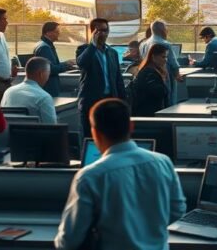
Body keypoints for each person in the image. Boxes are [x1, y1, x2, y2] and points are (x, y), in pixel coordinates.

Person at [54, 98, 186, 250]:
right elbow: (178, 211)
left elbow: (69, 242)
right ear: (131, 126)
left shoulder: (90, 177)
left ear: (94, 132)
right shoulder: (163, 162)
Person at [76, 19, 126, 137]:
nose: (104, 33)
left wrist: (122, 101)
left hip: (110, 100)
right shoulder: (83, 50)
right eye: (100, 30)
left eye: (106, 30)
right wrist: (92, 44)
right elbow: (82, 63)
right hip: (91, 101)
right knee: (90, 136)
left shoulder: (112, 52)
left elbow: (117, 78)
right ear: (93, 31)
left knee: (110, 136)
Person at [1, 56, 57, 123]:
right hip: (33, 133)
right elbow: (51, 128)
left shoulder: (8, 92)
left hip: (10, 133)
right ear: (41, 74)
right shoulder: (44, 98)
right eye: (48, 73)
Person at [139, 21, 181, 105]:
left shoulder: (143, 44)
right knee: (166, 103)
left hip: (147, 78)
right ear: (163, 30)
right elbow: (174, 64)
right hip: (163, 78)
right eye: (166, 29)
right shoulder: (165, 44)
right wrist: (178, 76)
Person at [129, 44, 171, 117]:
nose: (165, 60)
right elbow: (159, 92)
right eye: (163, 57)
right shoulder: (149, 73)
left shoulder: (149, 71)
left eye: (166, 57)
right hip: (147, 114)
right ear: (153, 57)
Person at [33, 21, 72, 97]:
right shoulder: (45, 47)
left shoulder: (43, 45)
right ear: (48, 33)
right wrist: (66, 66)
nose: (59, 34)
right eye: (56, 32)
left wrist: (65, 63)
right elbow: (50, 69)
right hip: (49, 87)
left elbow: (51, 65)